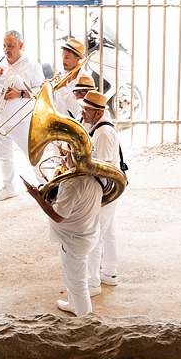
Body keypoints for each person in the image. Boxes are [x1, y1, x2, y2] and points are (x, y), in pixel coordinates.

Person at [23, 150, 103, 316]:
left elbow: (57, 216)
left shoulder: (71, 183)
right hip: (86, 235)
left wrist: (37, 197)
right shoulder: (97, 176)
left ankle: (85, 321)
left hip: (73, 241)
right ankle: (74, 305)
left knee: (78, 283)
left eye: (68, 154)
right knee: (74, 279)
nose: (64, 156)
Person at [0, 30, 46, 201]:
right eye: (4, 46)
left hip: (21, 120)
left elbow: (41, 90)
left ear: (20, 45)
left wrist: (20, 94)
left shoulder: (32, 64)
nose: (6, 49)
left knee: (33, 155)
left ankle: (46, 186)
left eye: (10, 46)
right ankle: (8, 187)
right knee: (4, 156)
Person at [79, 91, 123, 296]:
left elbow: (102, 165)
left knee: (94, 234)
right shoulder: (96, 127)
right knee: (108, 231)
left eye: (86, 109)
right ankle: (110, 273)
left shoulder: (103, 133)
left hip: (104, 188)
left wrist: (76, 164)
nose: (82, 111)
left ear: (98, 113)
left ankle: (92, 284)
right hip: (109, 188)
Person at [53, 39, 91, 119]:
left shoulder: (86, 79)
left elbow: (79, 111)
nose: (63, 61)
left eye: (67, 57)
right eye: (63, 57)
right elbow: (55, 101)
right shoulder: (62, 73)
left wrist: (62, 89)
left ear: (77, 59)